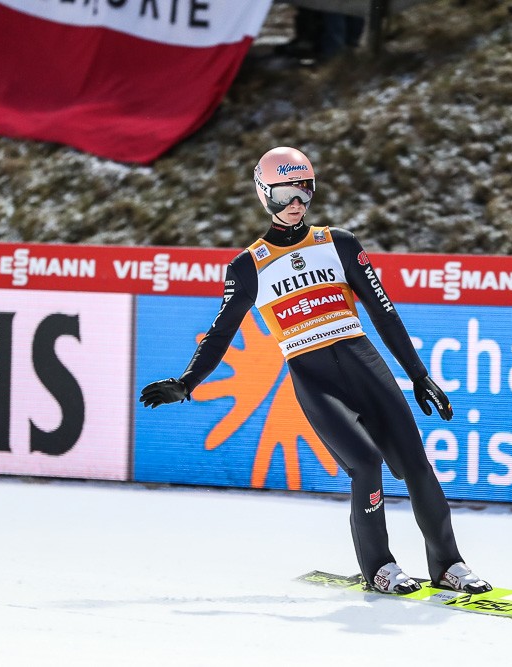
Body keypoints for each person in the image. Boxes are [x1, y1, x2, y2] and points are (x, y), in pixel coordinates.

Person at [139, 146, 491, 596]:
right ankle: (379, 566)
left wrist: (418, 374)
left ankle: (448, 564)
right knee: (366, 464)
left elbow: (383, 311)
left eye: (304, 190)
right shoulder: (248, 267)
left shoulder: (339, 243)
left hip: (364, 364)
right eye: (285, 193)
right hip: (314, 378)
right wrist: (187, 382)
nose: (296, 202)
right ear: (264, 194)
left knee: (416, 463)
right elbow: (220, 333)